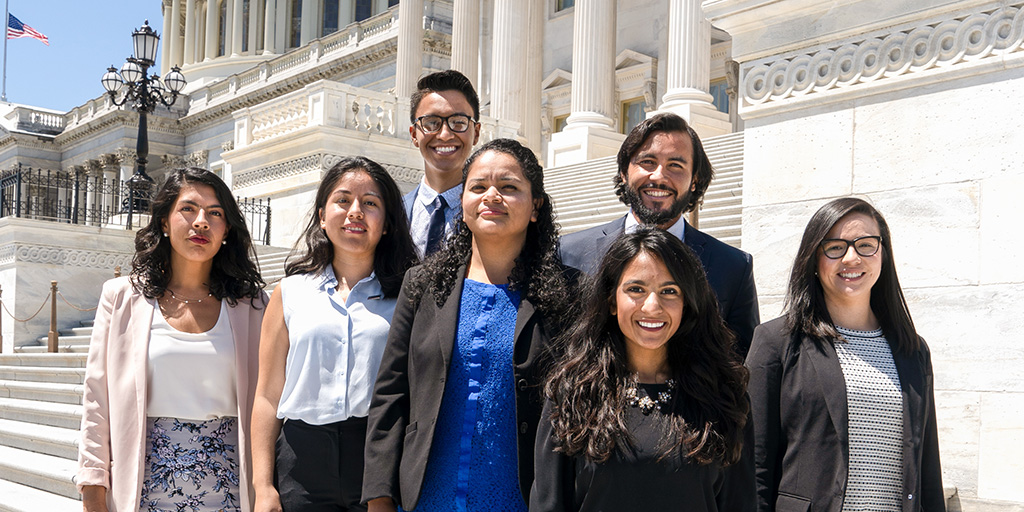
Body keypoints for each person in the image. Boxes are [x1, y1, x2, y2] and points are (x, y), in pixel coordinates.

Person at [363, 138, 574, 512]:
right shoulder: (423, 284)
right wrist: (380, 497)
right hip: (427, 498)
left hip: (523, 500)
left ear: (536, 206)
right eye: (478, 187)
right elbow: (391, 394)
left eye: (509, 187)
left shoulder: (570, 293)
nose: (492, 196)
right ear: (462, 202)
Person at [77, 167, 267, 512]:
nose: (201, 222)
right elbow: (96, 399)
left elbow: (270, 400)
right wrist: (92, 489)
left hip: (231, 488)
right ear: (164, 222)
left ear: (226, 230)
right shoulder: (121, 298)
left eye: (215, 213)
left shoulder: (252, 305)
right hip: (143, 486)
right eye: (188, 209)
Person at [531, 226, 754, 512]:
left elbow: (740, 503)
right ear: (611, 301)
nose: (652, 306)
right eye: (636, 289)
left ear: (687, 303)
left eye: (669, 291)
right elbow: (548, 504)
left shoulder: (724, 395)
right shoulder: (572, 392)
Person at [747, 197, 944, 512]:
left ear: (883, 255)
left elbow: (928, 471)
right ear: (814, 258)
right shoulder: (776, 342)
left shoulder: (913, 350)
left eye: (866, 245)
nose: (851, 258)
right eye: (835, 247)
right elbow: (753, 465)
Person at [250, 157, 418, 512]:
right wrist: (263, 486)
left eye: (370, 203)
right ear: (323, 216)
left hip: (378, 459)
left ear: (387, 224)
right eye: (343, 200)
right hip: (301, 462)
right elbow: (267, 395)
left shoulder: (409, 296)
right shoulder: (289, 292)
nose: (355, 211)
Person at [559, 113, 759, 356]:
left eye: (675, 165)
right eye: (647, 162)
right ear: (624, 172)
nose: (659, 176)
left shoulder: (733, 267)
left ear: (694, 180)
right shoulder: (570, 254)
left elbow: (742, 360)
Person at [403, 69, 482, 258]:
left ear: (476, 133)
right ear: (414, 135)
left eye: (458, 122)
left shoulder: (490, 212)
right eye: (431, 123)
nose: (445, 135)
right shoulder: (393, 213)